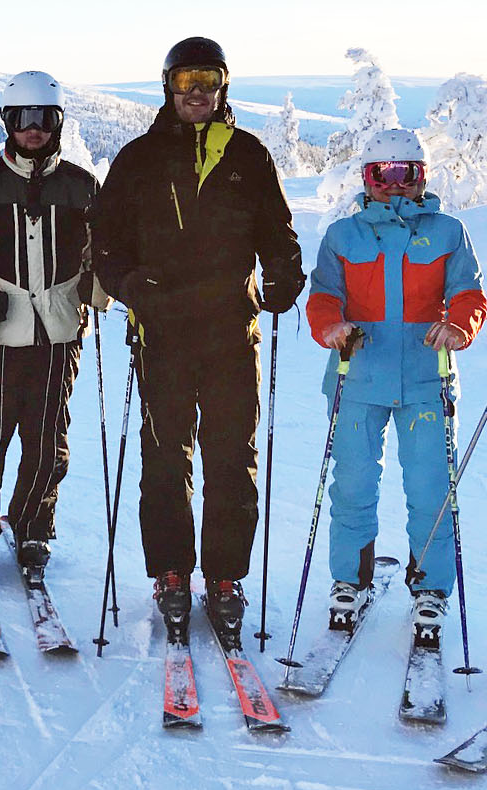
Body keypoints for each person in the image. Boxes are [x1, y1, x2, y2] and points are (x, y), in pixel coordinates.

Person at [90, 38, 304, 643]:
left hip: (232, 332)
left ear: (224, 87)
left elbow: (277, 231)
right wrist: (130, 284)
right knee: (165, 459)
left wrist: (283, 274)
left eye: (208, 80)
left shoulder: (248, 155)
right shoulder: (138, 159)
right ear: (168, 87)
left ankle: (226, 577)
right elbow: (104, 241)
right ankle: (170, 573)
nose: (197, 93)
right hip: (161, 333)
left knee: (232, 459)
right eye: (186, 81)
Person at [305, 128, 487, 643]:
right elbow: (323, 298)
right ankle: (349, 581)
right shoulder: (344, 236)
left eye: (405, 173)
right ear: (366, 179)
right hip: (357, 377)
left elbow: (469, 295)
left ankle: (430, 589)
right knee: (354, 485)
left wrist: (459, 327)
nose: (394, 185)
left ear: (421, 176)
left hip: (428, 379)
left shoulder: (448, 232)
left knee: (431, 487)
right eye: (381, 175)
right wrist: (332, 328)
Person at [0, 71, 104, 593]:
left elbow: (107, 247)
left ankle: (34, 525)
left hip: (59, 333)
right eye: (23, 118)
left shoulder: (81, 186)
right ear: (8, 122)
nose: (34, 129)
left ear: (57, 123)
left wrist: (101, 285)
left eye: (45, 119)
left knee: (47, 437)